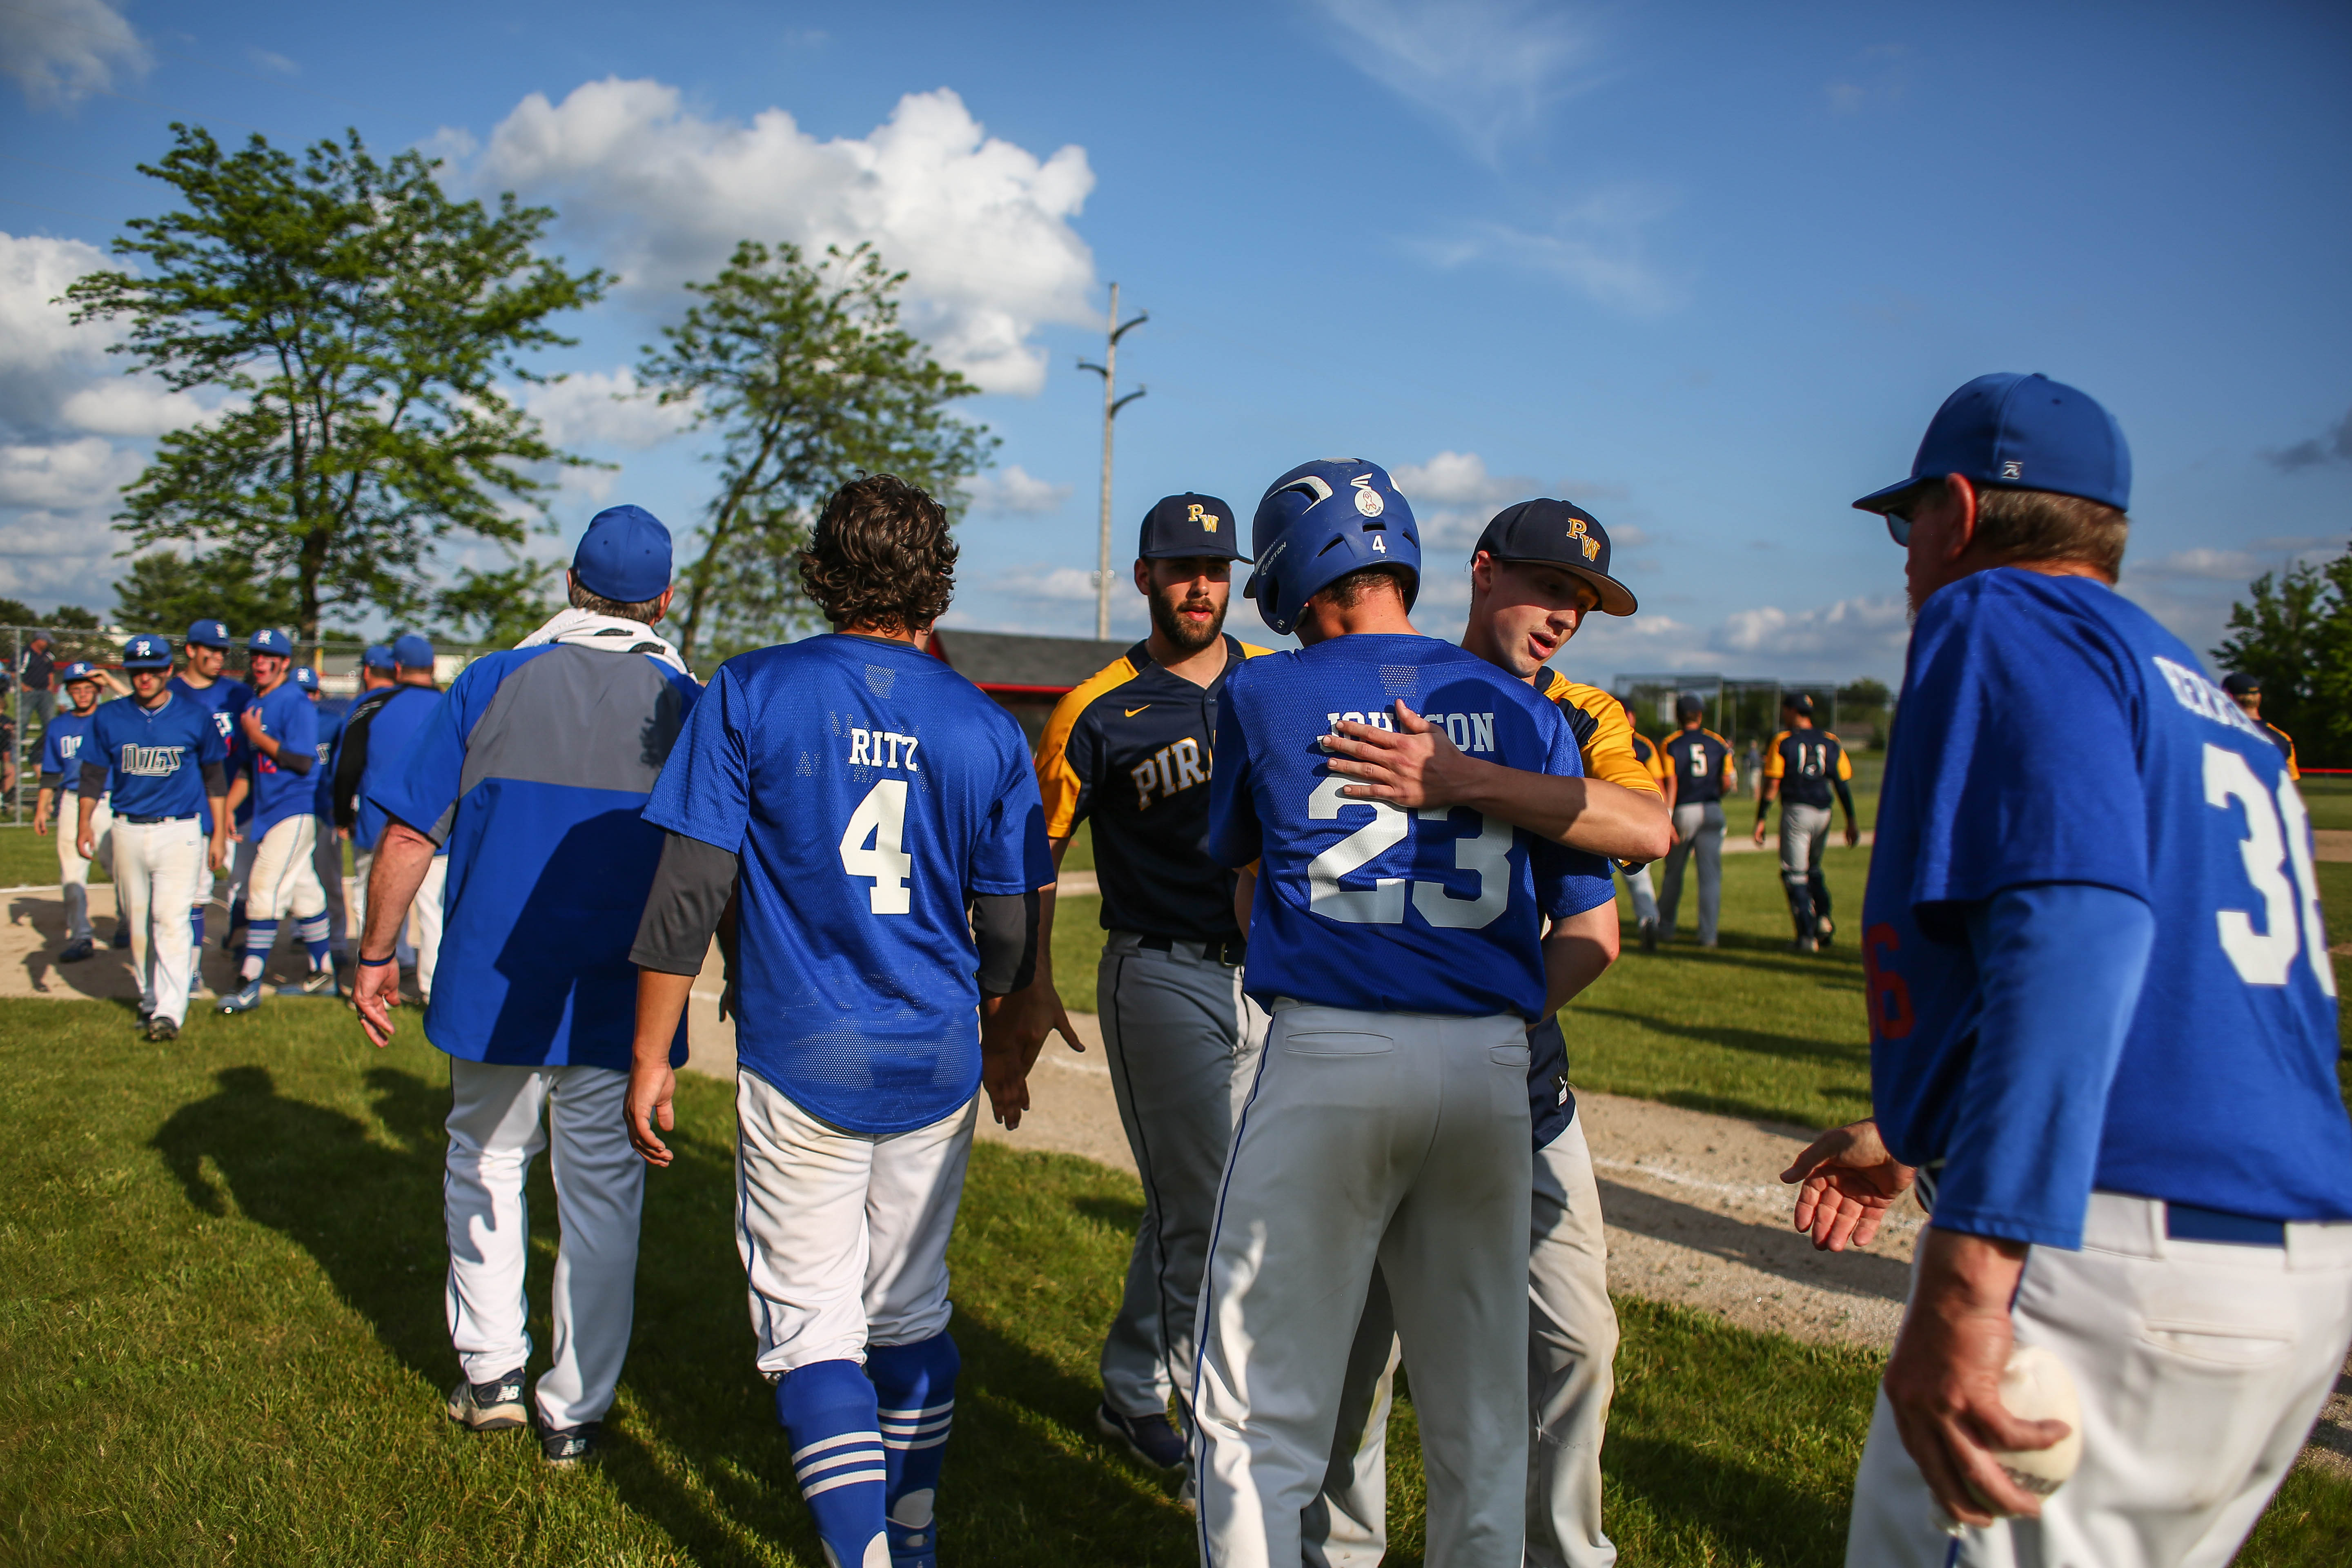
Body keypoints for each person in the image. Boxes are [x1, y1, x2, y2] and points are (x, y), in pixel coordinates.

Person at [1782, 372, 2352, 1566]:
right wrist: (1907, 1134)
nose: (1905, 557)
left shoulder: (1998, 615)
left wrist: (1966, 1277)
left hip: (2108, 1250)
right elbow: (2187, 1003)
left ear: (1963, 508)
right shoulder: (2191, 686)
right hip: (2280, 1260)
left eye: (1908, 522)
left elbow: (2078, 928)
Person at [1193, 459, 1618, 1568]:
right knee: (1481, 1421)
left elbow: (1245, 883)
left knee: (1256, 1410)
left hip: (1333, 1046)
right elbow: (1588, 908)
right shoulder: (1528, 710)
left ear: (1292, 569)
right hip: (1489, 1067)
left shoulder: (1258, 691)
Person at [624, 476, 1049, 1568]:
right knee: (909, 1311)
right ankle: (910, 1531)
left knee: (813, 1327)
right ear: (937, 581)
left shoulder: (750, 690)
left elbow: (686, 888)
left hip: (801, 1043)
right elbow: (1007, 927)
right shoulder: (986, 725)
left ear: (820, 569)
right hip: (933, 1048)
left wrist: (648, 1053)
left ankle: (866, 1556)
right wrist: (1003, 1038)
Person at [1306, 496, 1665, 1568]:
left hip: (1521, 1082)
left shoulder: (1581, 712)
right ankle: (1340, 1551)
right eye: (1550, 589)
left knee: (1576, 1340)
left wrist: (1464, 781)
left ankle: (1562, 1555)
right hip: (1370, 1071)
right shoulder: (1385, 676)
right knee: (1357, 1350)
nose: (1564, 617)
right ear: (1482, 570)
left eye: (1584, 605)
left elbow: (1642, 828)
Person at [353, 503, 702, 1468]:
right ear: (663, 598)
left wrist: (376, 952)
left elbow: (410, 834)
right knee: (601, 1196)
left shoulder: (490, 678)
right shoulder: (692, 699)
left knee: (487, 1162)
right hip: (624, 993)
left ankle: (492, 1373)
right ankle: (575, 1409)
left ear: (567, 583)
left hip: (493, 978)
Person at [1006, 492, 1269, 1478]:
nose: (1200, 583)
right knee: (1210, 1208)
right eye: (1180, 565)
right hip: (1157, 969)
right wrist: (1027, 983)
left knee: (1188, 1199)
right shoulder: (1096, 706)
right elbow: (1038, 850)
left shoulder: (1271, 684)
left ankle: (1126, 1389)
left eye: (1215, 567)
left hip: (1266, 977)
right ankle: (1223, 1440)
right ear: (1143, 577)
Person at [78, 633, 229, 1041]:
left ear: (167, 670)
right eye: (137, 671)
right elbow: (91, 775)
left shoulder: (194, 716)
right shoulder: (110, 716)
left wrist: (216, 834)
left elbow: (216, 778)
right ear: (129, 673)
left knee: (171, 918)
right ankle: (150, 1000)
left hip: (179, 829)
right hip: (126, 826)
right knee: (139, 921)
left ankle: (170, 1011)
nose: (145, 677)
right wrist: (83, 825)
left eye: (153, 669)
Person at [215, 630, 332, 1011]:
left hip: (293, 809)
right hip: (270, 810)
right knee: (304, 893)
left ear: (284, 663)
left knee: (263, 888)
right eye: (256, 656)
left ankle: (249, 980)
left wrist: (256, 735)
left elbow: (302, 761)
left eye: (269, 657)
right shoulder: (256, 701)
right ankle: (324, 973)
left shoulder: (294, 701)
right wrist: (230, 807)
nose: (260, 663)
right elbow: (251, 771)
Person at [346, 635, 446, 1000]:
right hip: (442, 826)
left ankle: (376, 969)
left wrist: (343, 812)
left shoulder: (371, 705)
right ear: (433, 667)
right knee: (434, 910)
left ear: (397, 669)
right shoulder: (453, 703)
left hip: (380, 823)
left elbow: (348, 767)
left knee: (373, 901)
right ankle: (432, 987)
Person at [170, 618, 252, 980]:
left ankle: (238, 941)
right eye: (211, 650)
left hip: (240, 803)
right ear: (191, 650)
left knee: (246, 886)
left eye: (223, 651)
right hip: (191, 807)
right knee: (195, 891)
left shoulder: (238, 696)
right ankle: (190, 969)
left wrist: (232, 805)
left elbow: (250, 757)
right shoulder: (172, 693)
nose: (219, 657)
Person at [1752, 693, 1858, 951]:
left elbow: (1773, 783)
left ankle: (1806, 937)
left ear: (1791, 711)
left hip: (1798, 811)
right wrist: (1851, 820)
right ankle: (1823, 920)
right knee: (1814, 870)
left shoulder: (1784, 740)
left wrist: (1761, 818)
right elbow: (1841, 784)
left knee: (1795, 874)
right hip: (1825, 812)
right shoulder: (1830, 741)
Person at [34, 660, 111, 962]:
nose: (82, 694)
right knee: (72, 871)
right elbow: (51, 772)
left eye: (88, 688)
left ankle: (127, 922)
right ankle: (81, 936)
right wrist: (42, 807)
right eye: (76, 689)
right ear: (67, 693)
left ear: (98, 690)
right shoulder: (59, 725)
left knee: (117, 866)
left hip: (108, 798)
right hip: (72, 799)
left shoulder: (109, 718)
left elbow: (137, 702)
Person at [1656, 694, 1737, 949]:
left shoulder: (1671, 743)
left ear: (1678, 717)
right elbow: (1727, 781)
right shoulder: (1718, 742)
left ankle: (1666, 928)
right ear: (1700, 715)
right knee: (1711, 877)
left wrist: (1668, 817)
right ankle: (1708, 936)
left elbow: (1672, 783)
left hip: (1684, 811)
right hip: (1712, 809)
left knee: (1674, 874)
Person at [292, 664, 353, 985]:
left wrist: (338, 811)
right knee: (294, 881)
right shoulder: (280, 722)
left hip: (322, 813)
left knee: (330, 880)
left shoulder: (331, 723)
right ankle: (300, 932)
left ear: (318, 694)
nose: (304, 699)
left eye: (309, 692)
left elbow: (340, 772)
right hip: (288, 814)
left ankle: (338, 941)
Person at [2221, 672, 2298, 779]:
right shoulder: (2283, 739)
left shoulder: (2220, 732)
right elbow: (2290, 785)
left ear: (2228, 697)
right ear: (2259, 697)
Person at [20, 628, 56, 730]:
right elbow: (15, 672)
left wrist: (51, 686)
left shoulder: (48, 655)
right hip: (28, 692)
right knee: (23, 721)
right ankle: (18, 745)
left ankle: (46, 745)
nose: (48, 644)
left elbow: (51, 671)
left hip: (45, 692)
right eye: (46, 641)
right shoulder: (25, 653)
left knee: (49, 721)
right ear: (39, 640)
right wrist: (23, 686)